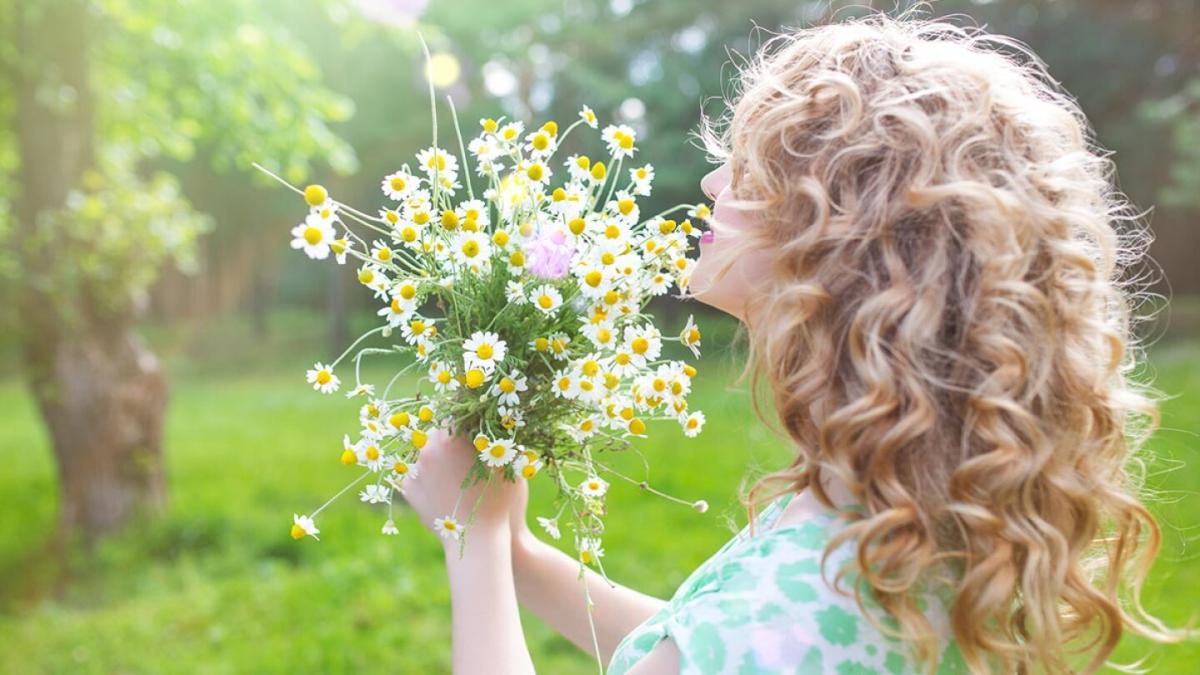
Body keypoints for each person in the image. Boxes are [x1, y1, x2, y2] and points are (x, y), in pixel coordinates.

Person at [397, 8, 1192, 674]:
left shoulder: (810, 580)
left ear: (842, 248)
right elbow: (693, 645)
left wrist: (474, 546)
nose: (710, 186)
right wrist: (524, 555)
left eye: (745, 174)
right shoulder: (903, 505)